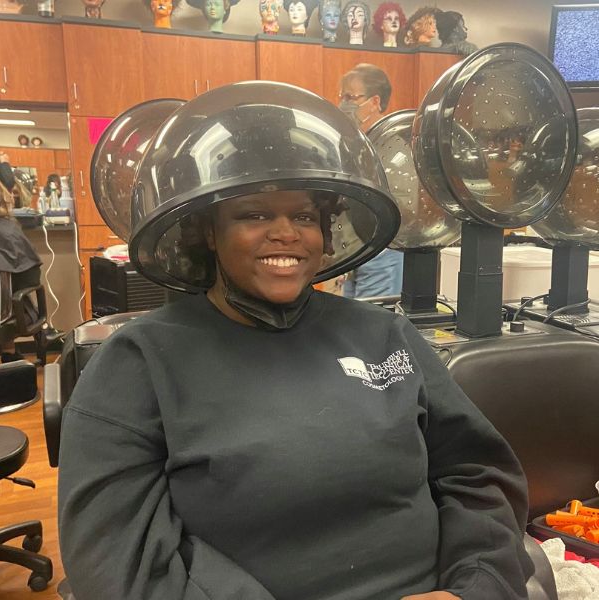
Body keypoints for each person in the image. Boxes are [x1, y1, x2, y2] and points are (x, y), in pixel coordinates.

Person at [58, 82, 533, 600]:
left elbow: (478, 473)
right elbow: (119, 559)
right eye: (255, 214)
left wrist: (475, 587)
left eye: (304, 216)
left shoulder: (383, 335)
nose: (286, 233)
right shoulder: (140, 362)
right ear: (209, 232)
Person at [338, 64, 404, 298]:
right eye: (342, 96)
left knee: (372, 325)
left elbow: (403, 203)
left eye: (351, 97)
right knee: (349, 322)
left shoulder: (391, 143)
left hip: (382, 251)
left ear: (375, 102)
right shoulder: (355, 142)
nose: (344, 104)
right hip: (355, 250)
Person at [0, 186, 43, 362]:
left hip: (10, 311)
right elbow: (32, 277)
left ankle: (10, 357)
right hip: (13, 310)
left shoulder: (6, 231)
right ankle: (10, 357)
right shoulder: (9, 229)